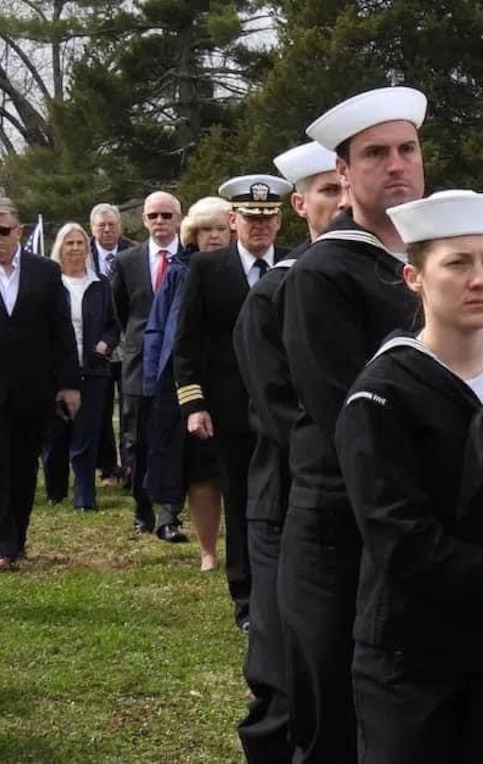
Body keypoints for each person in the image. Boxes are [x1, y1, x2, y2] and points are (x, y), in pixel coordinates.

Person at [336, 189, 483, 763]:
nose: (480, 279)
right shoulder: (382, 393)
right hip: (414, 648)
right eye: (457, 263)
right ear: (414, 276)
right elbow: (398, 536)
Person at [279, 85, 427, 763]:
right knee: (336, 719)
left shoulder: (442, 259)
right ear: (342, 173)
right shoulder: (323, 272)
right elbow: (348, 414)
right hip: (342, 528)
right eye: (375, 154)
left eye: (407, 149)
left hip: (418, 523)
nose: (396, 165)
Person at [232, 139, 345, 764]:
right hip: (287, 503)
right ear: (301, 205)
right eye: (327, 191)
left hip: (353, 506)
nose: (341, 201)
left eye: (343, 187)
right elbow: (279, 415)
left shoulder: (392, 277)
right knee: (283, 677)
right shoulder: (276, 292)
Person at [174, 173, 294, 631]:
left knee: (285, 501)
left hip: (285, 410)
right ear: (232, 219)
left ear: (279, 222)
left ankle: (283, 592)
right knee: (243, 505)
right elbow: (186, 343)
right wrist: (193, 404)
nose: (259, 227)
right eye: (250, 217)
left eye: (267, 218)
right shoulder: (207, 268)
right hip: (229, 411)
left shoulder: (294, 265)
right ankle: (246, 600)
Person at [0, 198, 80, 570]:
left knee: (22, 467)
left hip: (33, 387)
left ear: (19, 232)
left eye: (3, 230)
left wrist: (69, 384)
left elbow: (61, 331)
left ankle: (17, 539)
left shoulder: (44, 272)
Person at [144, 197, 234, 565]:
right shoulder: (180, 271)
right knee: (202, 473)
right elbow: (158, 328)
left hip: (238, 381)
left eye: (220, 229)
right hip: (192, 383)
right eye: (205, 230)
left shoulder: (245, 270)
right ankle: (209, 550)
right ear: (192, 235)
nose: (213, 237)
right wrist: (152, 383)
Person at [111, 191, 184, 539]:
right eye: (153, 216)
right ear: (143, 220)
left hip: (181, 361)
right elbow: (121, 311)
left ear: (179, 219)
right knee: (137, 438)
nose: (160, 222)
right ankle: (142, 510)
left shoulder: (191, 258)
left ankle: (170, 512)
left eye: (167, 216)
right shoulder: (127, 262)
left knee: (176, 436)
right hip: (140, 362)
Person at [40, 222, 120, 513]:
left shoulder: (99, 285)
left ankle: (85, 497)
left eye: (80, 243)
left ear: (88, 248)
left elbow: (113, 324)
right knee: (55, 435)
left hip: (93, 370)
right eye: (69, 243)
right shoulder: (48, 283)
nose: (75, 248)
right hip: (55, 372)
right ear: (60, 247)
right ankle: (55, 490)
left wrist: (104, 345)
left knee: (86, 435)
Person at [89, 202, 134, 487]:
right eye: (101, 225)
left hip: (129, 339)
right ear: (92, 228)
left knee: (131, 406)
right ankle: (108, 468)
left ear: (120, 226)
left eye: (112, 224)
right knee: (101, 406)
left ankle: (132, 467)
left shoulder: (134, 252)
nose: (107, 230)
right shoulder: (82, 253)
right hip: (98, 342)